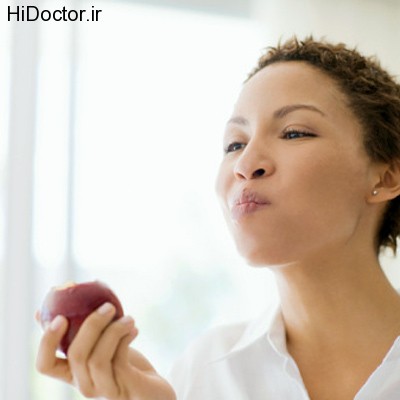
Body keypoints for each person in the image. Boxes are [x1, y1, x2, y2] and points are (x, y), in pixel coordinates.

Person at [36, 37, 400, 399]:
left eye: (294, 133)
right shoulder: (204, 373)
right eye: (235, 145)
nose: (245, 164)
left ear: (386, 177)